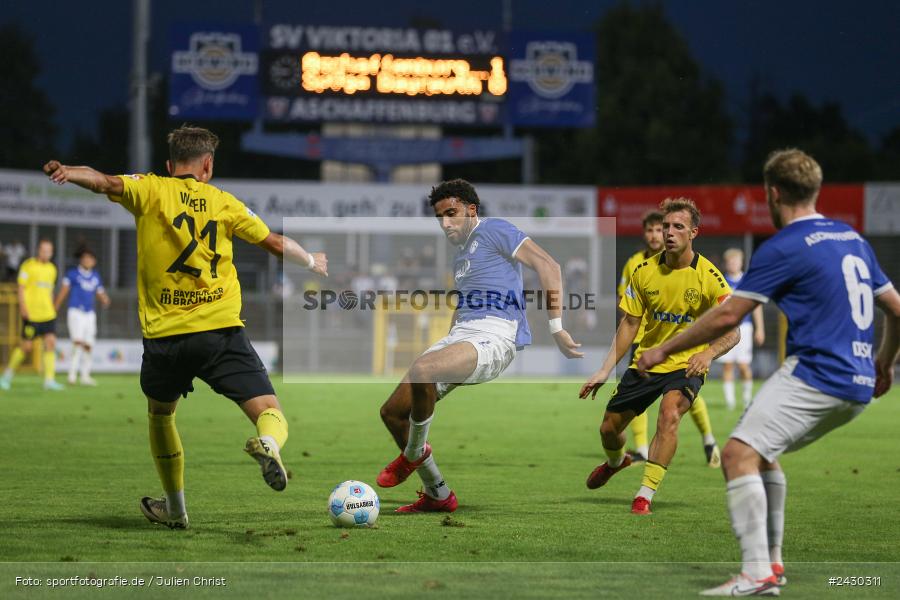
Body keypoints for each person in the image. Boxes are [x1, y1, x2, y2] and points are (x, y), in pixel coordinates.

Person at [637, 149, 899, 596]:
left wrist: (663, 349)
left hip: (816, 374)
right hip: (857, 384)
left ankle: (756, 573)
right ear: (815, 190)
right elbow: (895, 308)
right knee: (762, 451)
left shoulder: (785, 245)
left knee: (737, 455)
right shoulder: (851, 238)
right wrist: (884, 362)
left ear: (772, 193)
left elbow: (728, 316)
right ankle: (772, 565)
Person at [41, 125, 328, 529]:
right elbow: (276, 243)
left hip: (165, 338)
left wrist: (69, 172)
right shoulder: (224, 203)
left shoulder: (151, 189)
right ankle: (268, 443)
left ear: (169, 163)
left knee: (161, 415)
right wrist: (312, 261)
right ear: (207, 165)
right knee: (268, 410)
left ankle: (175, 510)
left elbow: (103, 181)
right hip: (220, 332)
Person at [377, 179, 583, 513]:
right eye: (440, 217)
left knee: (423, 369)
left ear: (471, 210)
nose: (445, 223)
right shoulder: (461, 255)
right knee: (392, 413)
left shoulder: (494, 229)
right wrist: (449, 343)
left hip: (496, 334)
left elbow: (548, 265)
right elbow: (464, 304)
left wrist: (556, 327)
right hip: (463, 335)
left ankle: (413, 454)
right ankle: (438, 494)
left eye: (451, 213)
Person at [579, 198, 739, 515]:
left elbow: (733, 330)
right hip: (648, 361)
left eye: (678, 226)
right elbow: (630, 323)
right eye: (666, 226)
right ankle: (616, 461)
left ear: (693, 232)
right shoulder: (643, 271)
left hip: (687, 364)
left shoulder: (710, 276)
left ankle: (644, 494)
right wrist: (604, 369)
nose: (668, 232)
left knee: (669, 415)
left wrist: (709, 353)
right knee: (609, 429)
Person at [618, 211, 721, 466]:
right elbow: (626, 303)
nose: (656, 235)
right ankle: (642, 448)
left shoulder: (690, 266)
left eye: (659, 229)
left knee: (681, 398)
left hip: (678, 343)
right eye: (651, 230)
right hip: (643, 342)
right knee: (636, 397)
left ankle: (708, 439)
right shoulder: (634, 263)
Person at [0, 239, 65, 391]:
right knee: (26, 347)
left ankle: (49, 380)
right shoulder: (28, 266)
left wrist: (53, 308)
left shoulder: (52, 269)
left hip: (48, 314)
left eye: (49, 251)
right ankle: (6, 376)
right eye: (44, 250)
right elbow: (21, 288)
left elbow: (49, 290)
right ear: (38, 250)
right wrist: (23, 307)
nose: (46, 253)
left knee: (50, 343)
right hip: (32, 314)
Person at [715, 248, 765, 410]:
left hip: (745, 327)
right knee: (728, 365)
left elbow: (756, 306)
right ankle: (730, 402)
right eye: (730, 262)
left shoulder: (747, 280)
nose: (733, 264)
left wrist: (760, 328)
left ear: (741, 263)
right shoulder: (721, 280)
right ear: (726, 263)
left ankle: (746, 399)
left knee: (743, 365)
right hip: (726, 328)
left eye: (736, 261)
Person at [54, 247, 111, 385]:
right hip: (76, 312)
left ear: (94, 261)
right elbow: (64, 290)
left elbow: (100, 292)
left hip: (90, 314)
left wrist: (105, 299)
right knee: (77, 342)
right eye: (85, 258)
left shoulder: (95, 276)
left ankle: (85, 375)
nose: (87, 260)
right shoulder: (72, 274)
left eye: (90, 258)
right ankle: (72, 375)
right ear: (81, 260)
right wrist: (55, 306)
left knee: (89, 344)